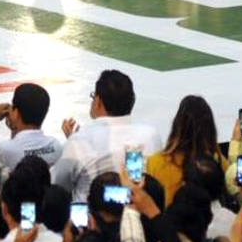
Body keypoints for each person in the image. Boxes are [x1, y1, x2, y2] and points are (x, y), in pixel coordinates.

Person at [51, 69, 161, 200]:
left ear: (97, 101)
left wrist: (74, 143)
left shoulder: (80, 141)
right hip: (140, 212)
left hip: (93, 216)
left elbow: (57, 184)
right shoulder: (151, 135)